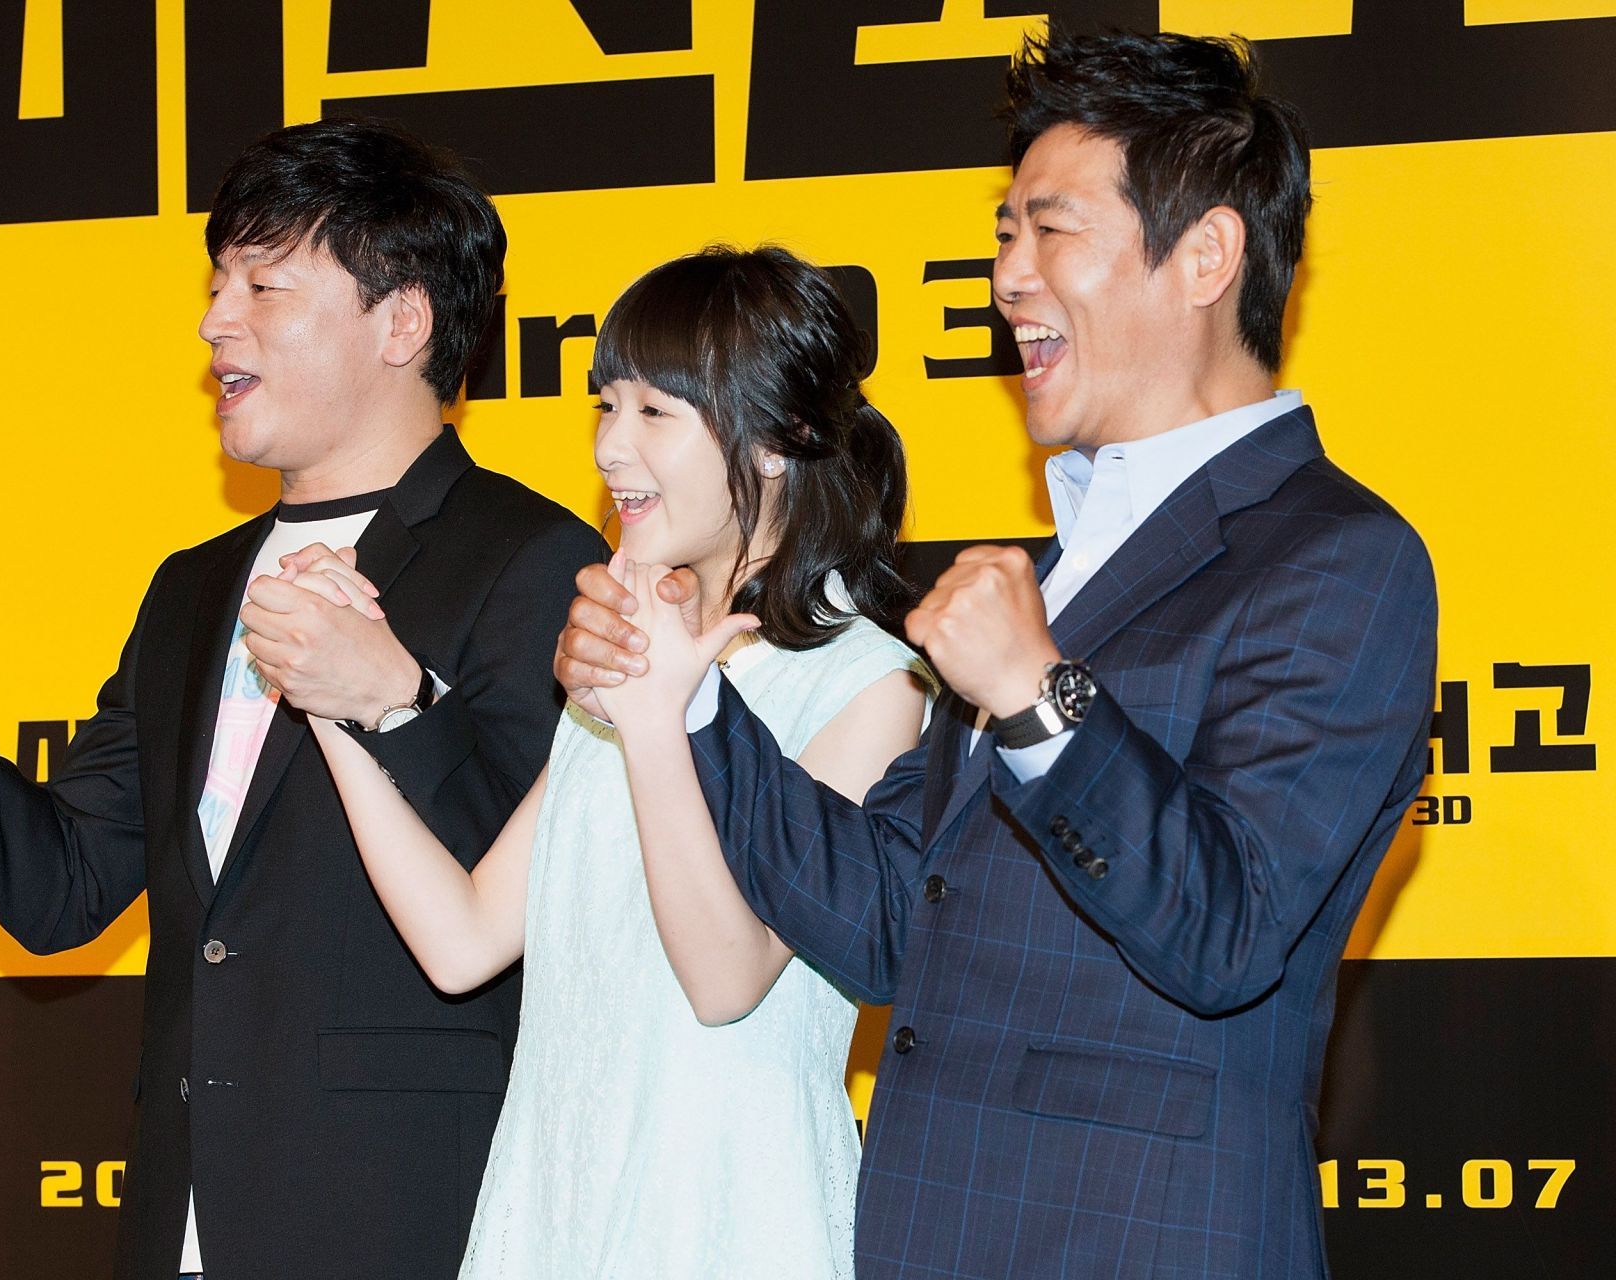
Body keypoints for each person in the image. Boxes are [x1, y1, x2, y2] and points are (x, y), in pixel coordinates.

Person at [555, 31, 1438, 1280]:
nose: (1008, 276)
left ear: (1205, 256)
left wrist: (1036, 696)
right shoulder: (1052, 570)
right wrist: (688, 701)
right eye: (1005, 232)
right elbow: (885, 921)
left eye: (1050, 229)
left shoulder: (1339, 556)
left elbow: (1229, 928)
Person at [0, 119, 605, 1280]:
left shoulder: (534, 560)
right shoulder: (193, 588)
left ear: (402, 323)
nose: (215, 321)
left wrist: (396, 703)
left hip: (407, 1222)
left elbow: (553, 895)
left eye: (265, 286)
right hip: (185, 1221)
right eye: (216, 283)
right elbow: (63, 884)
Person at [257, 246, 930, 1278]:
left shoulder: (866, 683)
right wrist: (333, 704)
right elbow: (463, 939)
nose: (612, 448)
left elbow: (726, 979)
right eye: (607, 406)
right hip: (556, 1211)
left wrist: (659, 716)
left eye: (656, 412)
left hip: (725, 1226)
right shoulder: (617, 652)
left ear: (775, 443)